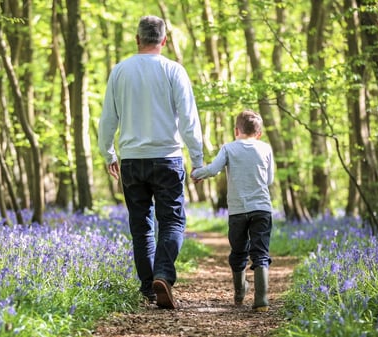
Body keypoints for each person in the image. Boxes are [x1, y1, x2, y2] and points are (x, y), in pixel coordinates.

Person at [97, 15, 204, 309]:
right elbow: (189, 120)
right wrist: (198, 159)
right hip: (167, 158)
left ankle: (148, 289)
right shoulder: (174, 71)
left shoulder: (120, 71)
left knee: (141, 226)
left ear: (137, 39)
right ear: (164, 40)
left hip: (131, 160)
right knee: (172, 221)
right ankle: (163, 276)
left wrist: (108, 153)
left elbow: (108, 118)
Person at [191, 110, 274, 312]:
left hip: (237, 210)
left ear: (236, 130)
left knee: (238, 251)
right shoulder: (266, 149)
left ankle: (239, 292)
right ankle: (261, 300)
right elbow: (269, 180)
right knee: (260, 252)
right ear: (259, 133)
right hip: (262, 208)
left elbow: (213, 170)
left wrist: (196, 173)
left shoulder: (229, 148)